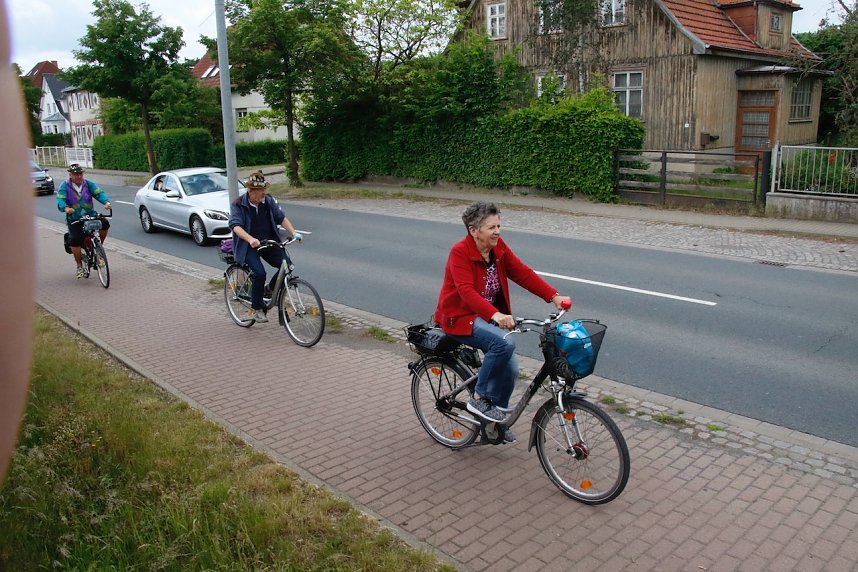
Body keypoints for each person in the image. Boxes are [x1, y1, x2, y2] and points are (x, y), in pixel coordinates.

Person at [435, 202, 571, 443]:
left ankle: (493, 425)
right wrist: (495, 315)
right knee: (504, 344)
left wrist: (553, 296)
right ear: (473, 230)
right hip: (460, 317)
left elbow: (521, 272)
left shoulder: (497, 248)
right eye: (491, 227)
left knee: (511, 370)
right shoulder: (460, 252)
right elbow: (466, 292)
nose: (498, 231)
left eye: (499, 225)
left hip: (486, 316)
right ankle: (479, 399)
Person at [228, 171, 302, 323]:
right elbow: (235, 226)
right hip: (248, 245)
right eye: (260, 190)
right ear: (250, 191)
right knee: (259, 273)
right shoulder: (238, 204)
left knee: (288, 265)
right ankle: (257, 308)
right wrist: (250, 239)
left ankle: (269, 289)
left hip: (268, 242)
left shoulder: (268, 201)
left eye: (264, 189)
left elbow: (281, 218)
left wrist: (294, 233)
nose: (263, 192)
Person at [56, 163, 112, 278]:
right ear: (71, 175)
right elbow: (60, 199)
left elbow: (98, 193)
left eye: (80, 174)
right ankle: (79, 266)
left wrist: (106, 203)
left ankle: (98, 248)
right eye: (76, 174)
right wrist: (66, 208)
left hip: (90, 215)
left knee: (105, 223)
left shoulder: (88, 184)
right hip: (75, 217)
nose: (79, 176)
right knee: (74, 239)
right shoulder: (65, 186)